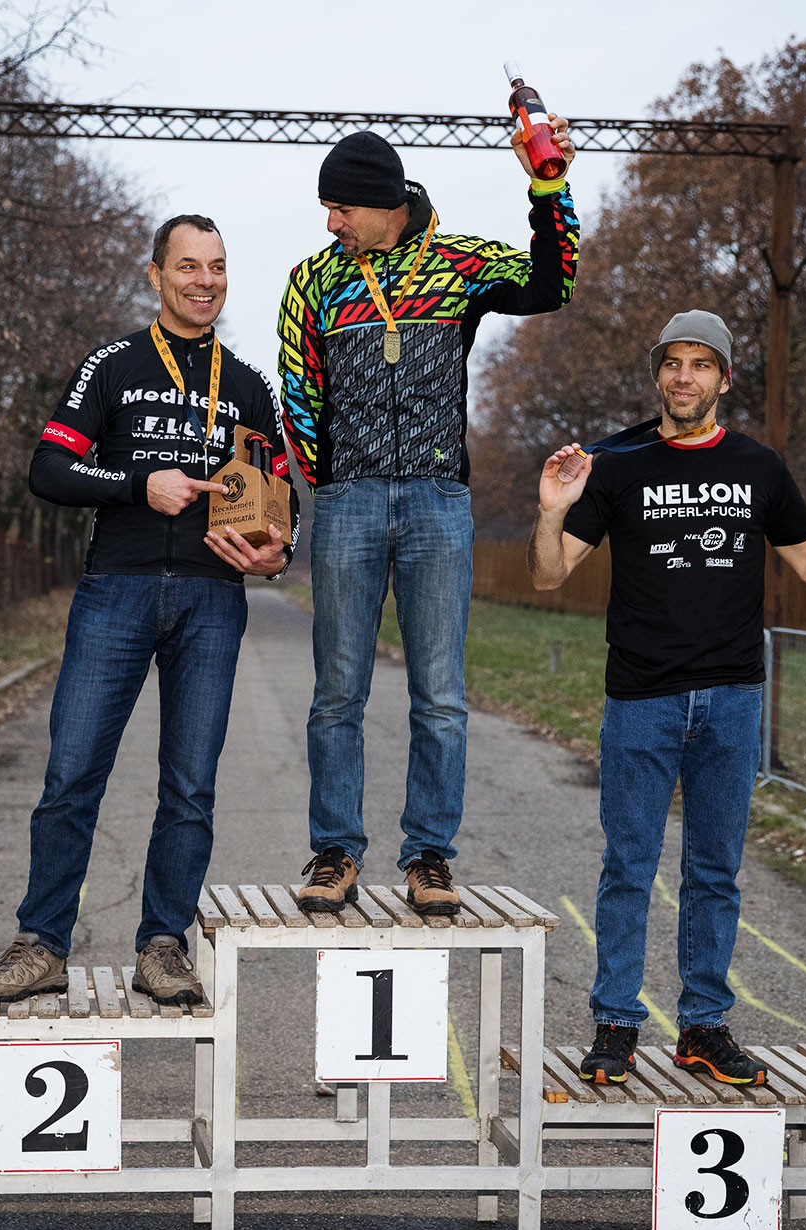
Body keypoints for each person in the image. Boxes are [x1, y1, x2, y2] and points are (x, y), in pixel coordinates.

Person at [527, 309, 806, 1085]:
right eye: (673, 362)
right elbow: (547, 574)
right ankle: (615, 1025)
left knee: (715, 871)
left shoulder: (759, 467)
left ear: (724, 377)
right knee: (629, 865)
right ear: (657, 374)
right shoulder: (615, 463)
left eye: (701, 364)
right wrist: (551, 510)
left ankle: (704, 1026)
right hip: (641, 696)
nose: (684, 376)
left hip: (732, 699)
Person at [0, 214, 299, 1006]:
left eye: (217, 267)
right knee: (72, 773)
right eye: (188, 266)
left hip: (214, 599)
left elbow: (282, 502)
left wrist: (276, 554)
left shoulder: (250, 384)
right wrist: (133, 485)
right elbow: (48, 469)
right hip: (115, 588)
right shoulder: (112, 365)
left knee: (189, 787)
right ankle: (42, 941)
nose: (205, 280)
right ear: (155, 275)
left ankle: (164, 944)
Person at [278, 124, 579, 915]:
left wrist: (548, 190)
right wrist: (334, 483)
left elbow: (554, 283)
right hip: (348, 502)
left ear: (383, 204)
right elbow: (299, 397)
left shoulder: (460, 265)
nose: (331, 223)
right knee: (336, 691)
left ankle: (430, 855)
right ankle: (335, 850)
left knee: (440, 695)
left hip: (439, 502)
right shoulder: (312, 281)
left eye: (340, 207)